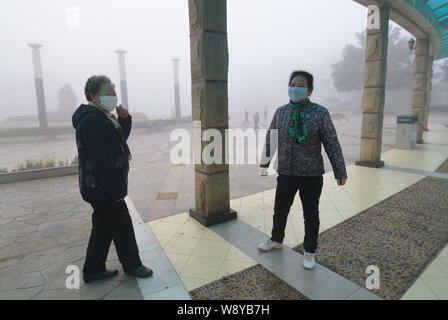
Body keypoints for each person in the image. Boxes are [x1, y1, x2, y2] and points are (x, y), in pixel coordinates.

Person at [258, 70, 347, 270]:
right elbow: (271, 138)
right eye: (293, 84)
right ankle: (276, 239)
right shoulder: (281, 112)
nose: (295, 88)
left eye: (300, 85)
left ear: (309, 91)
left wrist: (340, 171)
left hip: (311, 175)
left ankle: (309, 251)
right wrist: (265, 163)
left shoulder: (320, 112)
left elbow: (331, 143)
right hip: (286, 173)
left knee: (310, 214)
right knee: (280, 209)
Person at [72, 75, 153, 283]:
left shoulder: (102, 117)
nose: (113, 98)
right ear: (93, 96)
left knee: (103, 226)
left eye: (114, 94)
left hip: (98, 185)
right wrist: (117, 191)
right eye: (108, 94)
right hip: (101, 186)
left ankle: (93, 269)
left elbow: (118, 141)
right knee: (122, 224)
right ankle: (133, 264)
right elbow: (102, 162)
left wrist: (125, 119)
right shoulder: (92, 120)